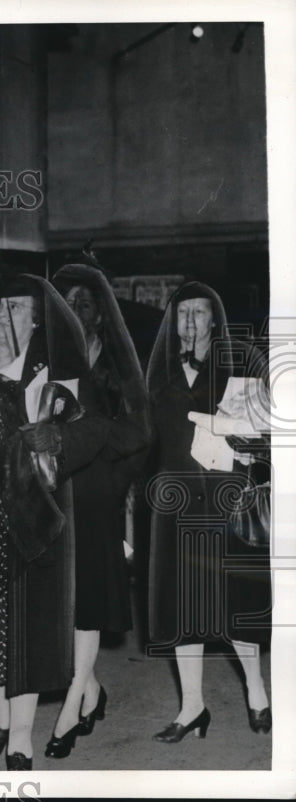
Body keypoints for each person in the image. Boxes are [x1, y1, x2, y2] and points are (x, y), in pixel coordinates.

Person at [0, 272, 109, 771]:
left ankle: (20, 738)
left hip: (26, 509)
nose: (4, 318)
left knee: (24, 630)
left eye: (16, 309)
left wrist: (57, 441)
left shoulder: (55, 370)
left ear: (37, 316)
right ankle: (1, 713)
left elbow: (97, 429)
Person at [145, 281, 271, 741]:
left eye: (200, 312)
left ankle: (257, 692)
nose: (191, 322)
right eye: (183, 314)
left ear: (215, 317)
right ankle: (192, 707)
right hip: (174, 503)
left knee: (233, 603)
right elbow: (144, 438)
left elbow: (271, 424)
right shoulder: (157, 369)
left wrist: (248, 443)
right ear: (172, 318)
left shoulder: (243, 358)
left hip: (227, 500)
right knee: (184, 608)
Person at [45, 263, 152, 757]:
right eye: (66, 301)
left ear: (100, 314)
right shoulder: (50, 358)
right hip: (54, 492)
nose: (74, 309)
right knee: (61, 603)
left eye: (83, 303)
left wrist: (113, 479)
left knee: (86, 601)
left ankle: (71, 707)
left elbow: (139, 434)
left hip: (97, 496)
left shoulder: (114, 364)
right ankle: (91, 689)